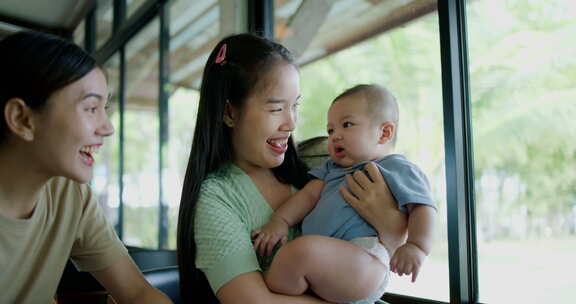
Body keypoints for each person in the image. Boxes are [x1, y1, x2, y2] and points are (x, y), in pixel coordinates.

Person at [177, 34, 408, 304]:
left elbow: (387, 253)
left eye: (294, 106)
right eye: (276, 108)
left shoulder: (324, 163)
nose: (291, 123)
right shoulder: (218, 197)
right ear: (230, 112)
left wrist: (393, 235)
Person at [0, 31, 172, 304]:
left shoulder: (70, 194)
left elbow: (138, 293)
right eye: (91, 108)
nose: (108, 128)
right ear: (22, 119)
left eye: (105, 107)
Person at [251, 84, 437, 303]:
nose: (335, 136)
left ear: (384, 133)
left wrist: (416, 246)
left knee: (300, 252)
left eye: (347, 125)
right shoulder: (331, 168)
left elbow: (424, 207)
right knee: (289, 260)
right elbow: (308, 197)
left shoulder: (397, 168)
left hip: (365, 257)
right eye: (330, 130)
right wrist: (280, 220)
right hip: (326, 262)